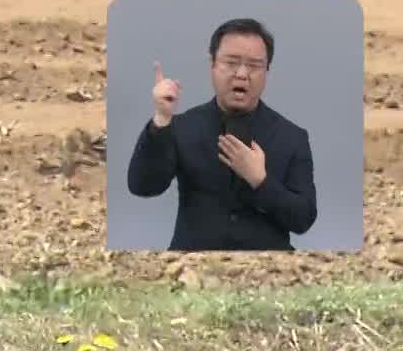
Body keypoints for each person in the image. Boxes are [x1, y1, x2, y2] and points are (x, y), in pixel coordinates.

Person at [125, 17, 317, 250]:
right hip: (193, 268)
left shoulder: (292, 137)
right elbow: (143, 186)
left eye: (255, 66)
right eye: (232, 62)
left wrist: (261, 181)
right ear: (213, 65)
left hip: (266, 273)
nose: (242, 74)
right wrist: (162, 119)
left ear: (267, 72)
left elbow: (303, 218)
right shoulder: (183, 127)